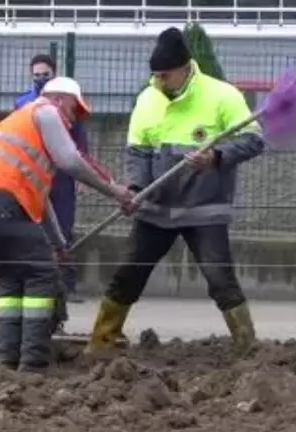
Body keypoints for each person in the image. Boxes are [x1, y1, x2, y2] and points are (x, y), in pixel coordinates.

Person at [87, 27, 265, 355]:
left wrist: (216, 157)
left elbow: (253, 140)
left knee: (219, 278)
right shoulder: (148, 99)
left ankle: (246, 346)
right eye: (154, 75)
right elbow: (138, 153)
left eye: (164, 75)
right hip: (156, 209)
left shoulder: (222, 95)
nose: (158, 81)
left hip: (205, 208)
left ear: (186, 68)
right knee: (130, 273)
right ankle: (101, 341)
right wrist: (136, 189)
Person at [0, 77, 134, 371]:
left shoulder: (23, 127)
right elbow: (72, 162)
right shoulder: (45, 110)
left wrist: (59, 245)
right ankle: (34, 363)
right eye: (75, 110)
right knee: (41, 274)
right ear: (61, 99)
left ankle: (5, 359)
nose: (74, 119)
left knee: (10, 279)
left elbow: (43, 201)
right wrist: (117, 192)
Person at [15, 54, 87, 303]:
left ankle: (68, 285)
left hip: (62, 176)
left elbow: (79, 142)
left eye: (44, 74)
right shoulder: (22, 103)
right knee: (36, 227)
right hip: (35, 173)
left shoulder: (68, 102)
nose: (39, 78)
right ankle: (40, 283)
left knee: (64, 227)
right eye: (36, 74)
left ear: (53, 74)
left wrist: (81, 173)